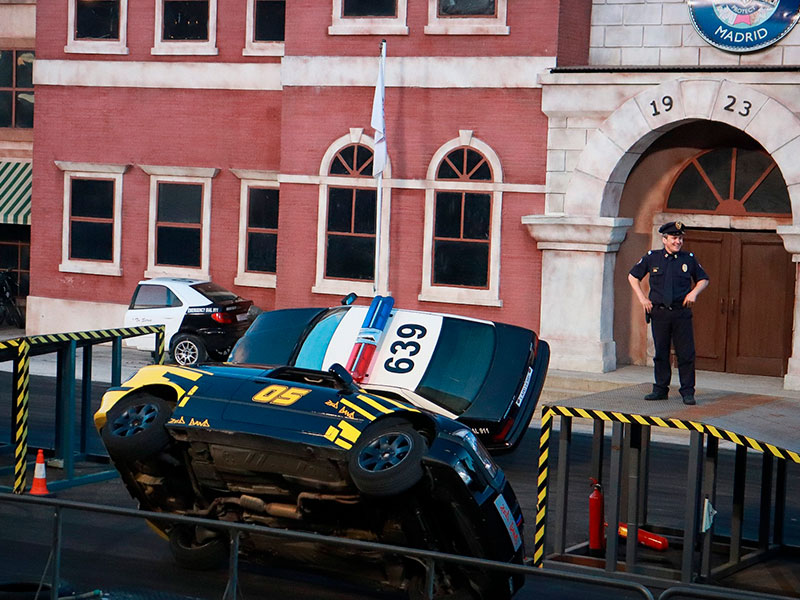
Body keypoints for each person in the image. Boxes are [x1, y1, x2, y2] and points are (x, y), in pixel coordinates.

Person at [628, 221, 709, 405]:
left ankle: (687, 392)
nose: (678, 242)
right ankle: (660, 389)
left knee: (686, 354)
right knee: (661, 353)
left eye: (680, 238)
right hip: (660, 313)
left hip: (681, 313)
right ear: (664, 239)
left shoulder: (688, 259)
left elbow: (703, 279)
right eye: (674, 238)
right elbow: (632, 276)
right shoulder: (652, 258)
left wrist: (693, 293)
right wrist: (642, 299)